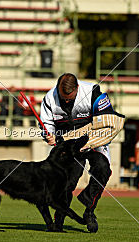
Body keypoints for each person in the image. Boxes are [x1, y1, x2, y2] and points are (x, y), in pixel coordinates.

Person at [40, 73, 125, 232]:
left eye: (70, 99)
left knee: (102, 169)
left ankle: (89, 210)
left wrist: (81, 139)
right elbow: (47, 124)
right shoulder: (49, 98)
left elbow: (105, 122)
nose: (65, 101)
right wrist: (48, 135)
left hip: (92, 140)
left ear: (78, 88)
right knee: (68, 181)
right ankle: (59, 217)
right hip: (66, 146)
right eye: (63, 97)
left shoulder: (94, 93)